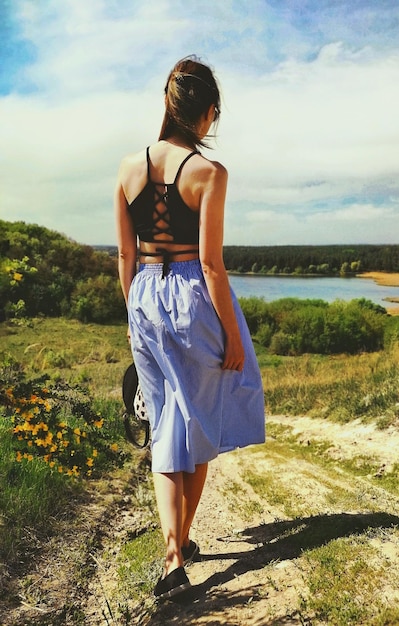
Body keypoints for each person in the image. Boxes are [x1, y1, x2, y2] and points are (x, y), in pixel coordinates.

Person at [114, 56, 265, 600]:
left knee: (163, 426)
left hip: (144, 299)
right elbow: (210, 265)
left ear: (166, 104)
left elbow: (124, 256)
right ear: (207, 113)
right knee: (198, 423)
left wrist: (136, 317)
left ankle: (174, 554)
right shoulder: (209, 173)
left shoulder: (128, 168)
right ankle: (179, 548)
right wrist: (230, 333)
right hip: (190, 298)